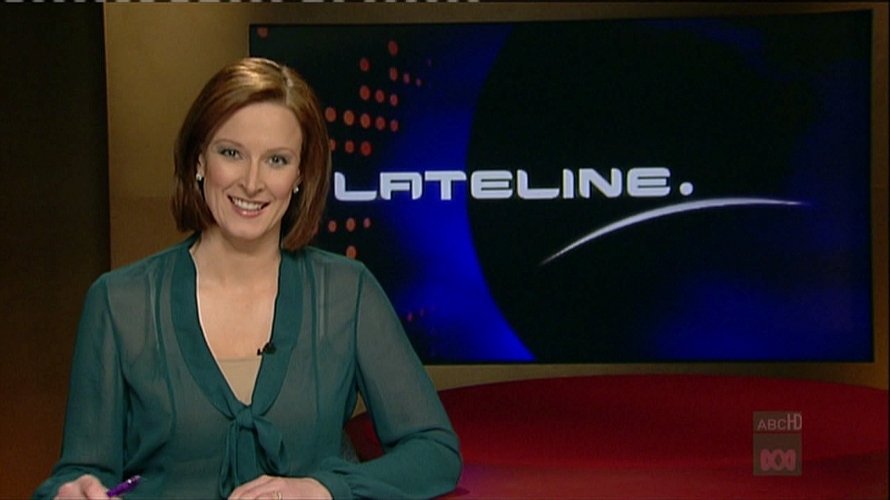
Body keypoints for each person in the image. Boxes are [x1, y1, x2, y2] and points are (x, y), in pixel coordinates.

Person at [35, 57, 462, 499]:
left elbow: (434, 453)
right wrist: (70, 493)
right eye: (231, 153)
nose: (253, 182)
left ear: (300, 175)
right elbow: (78, 474)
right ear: (199, 160)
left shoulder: (346, 292)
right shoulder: (120, 302)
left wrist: (323, 489)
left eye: (277, 160)